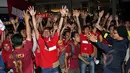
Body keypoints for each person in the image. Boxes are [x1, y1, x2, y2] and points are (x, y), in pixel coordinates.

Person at [29, 6, 67, 73]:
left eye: (47, 31)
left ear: (50, 33)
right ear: (42, 34)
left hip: (54, 67)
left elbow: (59, 28)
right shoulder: (41, 41)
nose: (46, 32)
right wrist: (32, 16)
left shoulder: (54, 40)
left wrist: (62, 16)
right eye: (44, 32)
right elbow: (35, 28)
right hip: (45, 68)